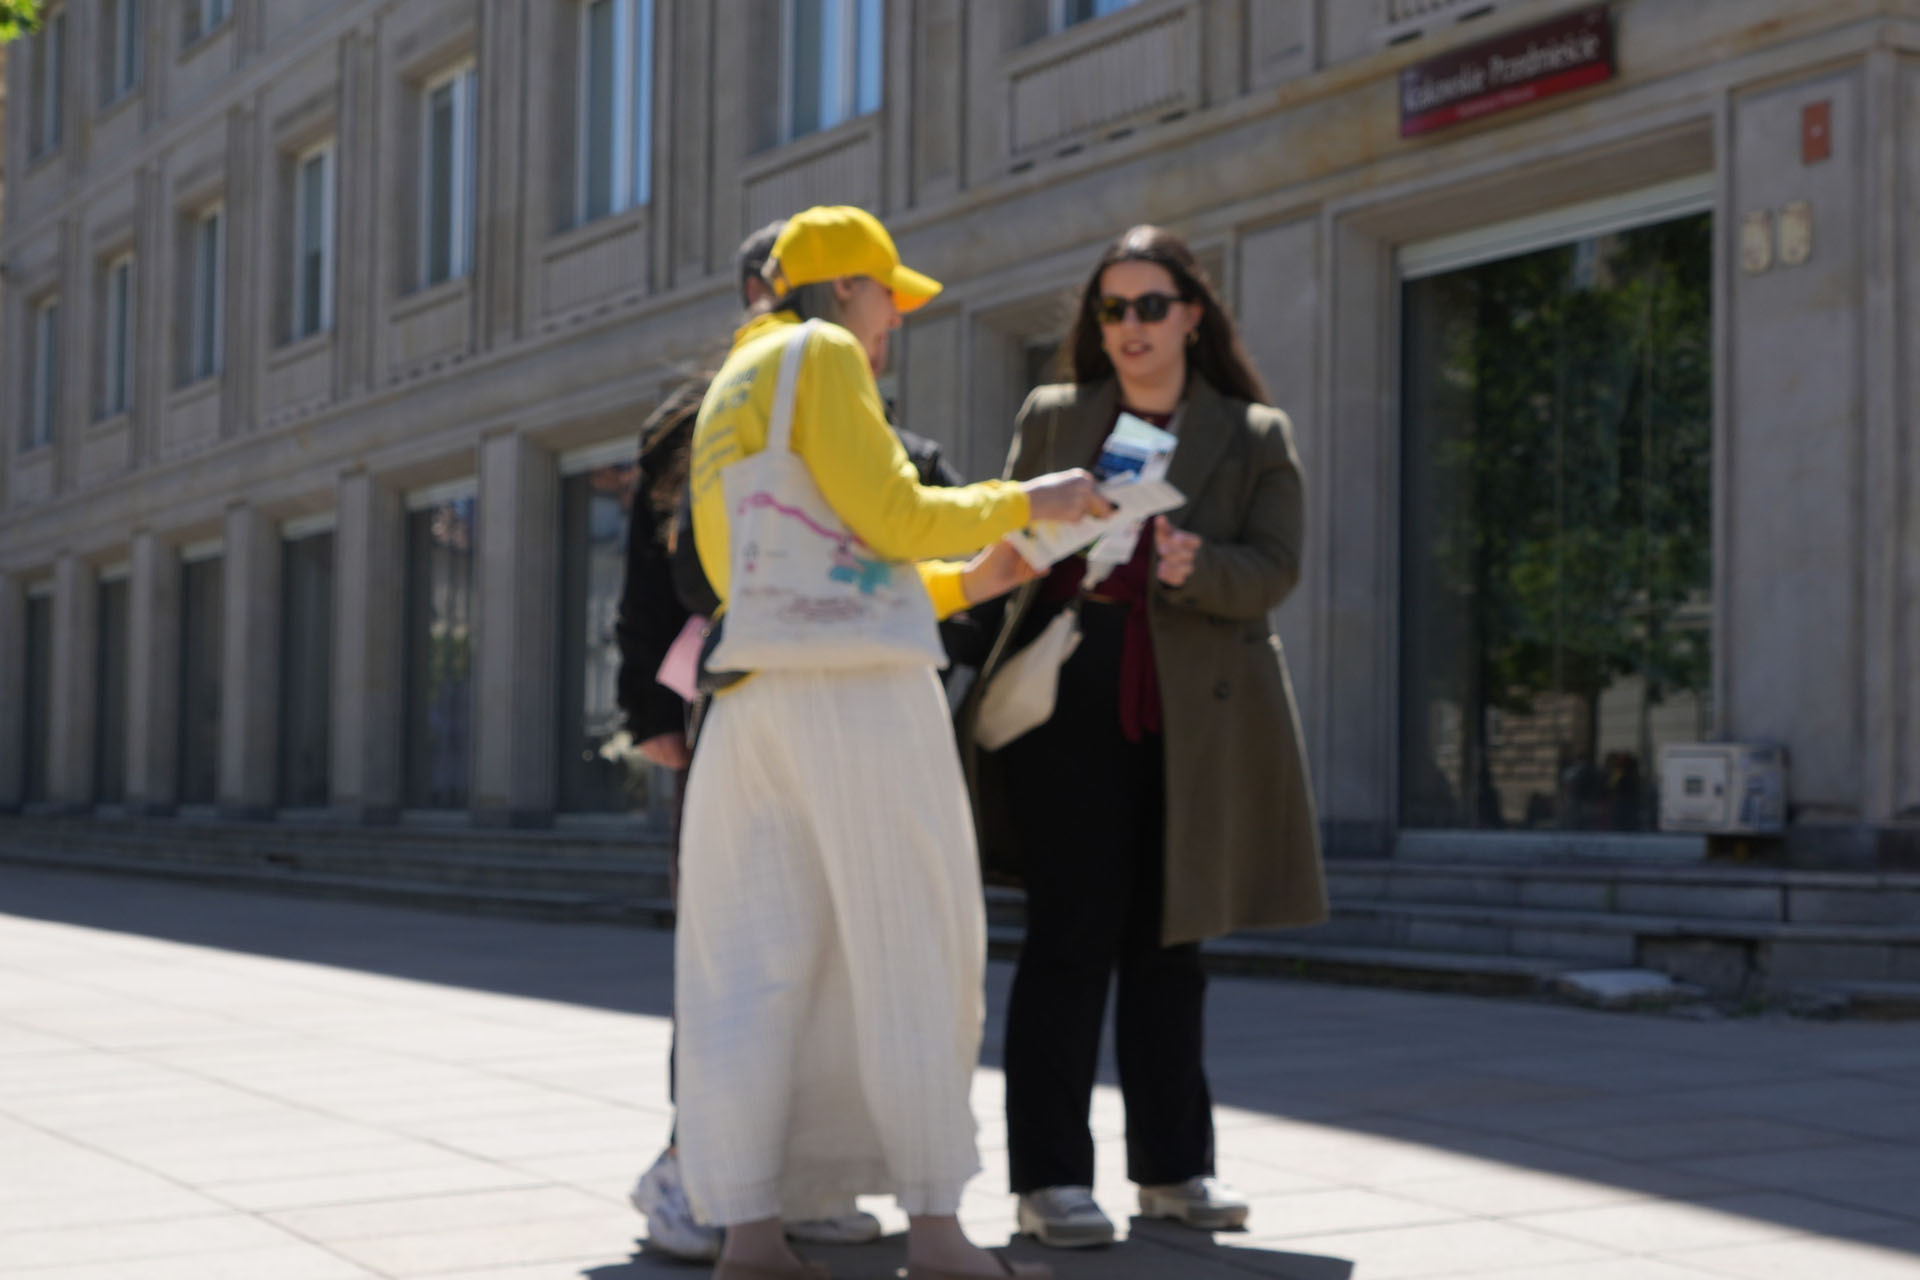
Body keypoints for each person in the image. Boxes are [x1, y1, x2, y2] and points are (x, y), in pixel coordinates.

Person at [676, 205, 1105, 1280]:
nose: (893, 321)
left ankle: (750, 1235)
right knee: (914, 941)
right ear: (841, 288)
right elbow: (896, 515)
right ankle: (938, 1234)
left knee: (753, 966)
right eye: (886, 295)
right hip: (860, 699)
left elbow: (806, 565)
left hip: (753, 700)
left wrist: (969, 580)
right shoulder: (821, 352)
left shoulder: (732, 381)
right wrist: (1031, 497)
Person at [960, 225, 1328, 1248]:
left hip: (1196, 720)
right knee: (1068, 942)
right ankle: (1049, 1180)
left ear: (1192, 316)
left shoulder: (1253, 432)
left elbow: (1277, 566)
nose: (1130, 326)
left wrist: (1196, 566)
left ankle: (1172, 1169)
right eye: (1112, 308)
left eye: (1150, 306)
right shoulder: (1055, 415)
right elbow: (1004, 546)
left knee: (1172, 947)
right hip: (1065, 706)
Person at [620, 222, 909, 1261]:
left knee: (822, 949)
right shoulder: (698, 413)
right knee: (736, 951)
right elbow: (651, 581)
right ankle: (694, 1174)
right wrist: (652, 715)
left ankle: (803, 1175)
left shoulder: (853, 403)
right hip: (732, 706)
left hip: (838, 711)